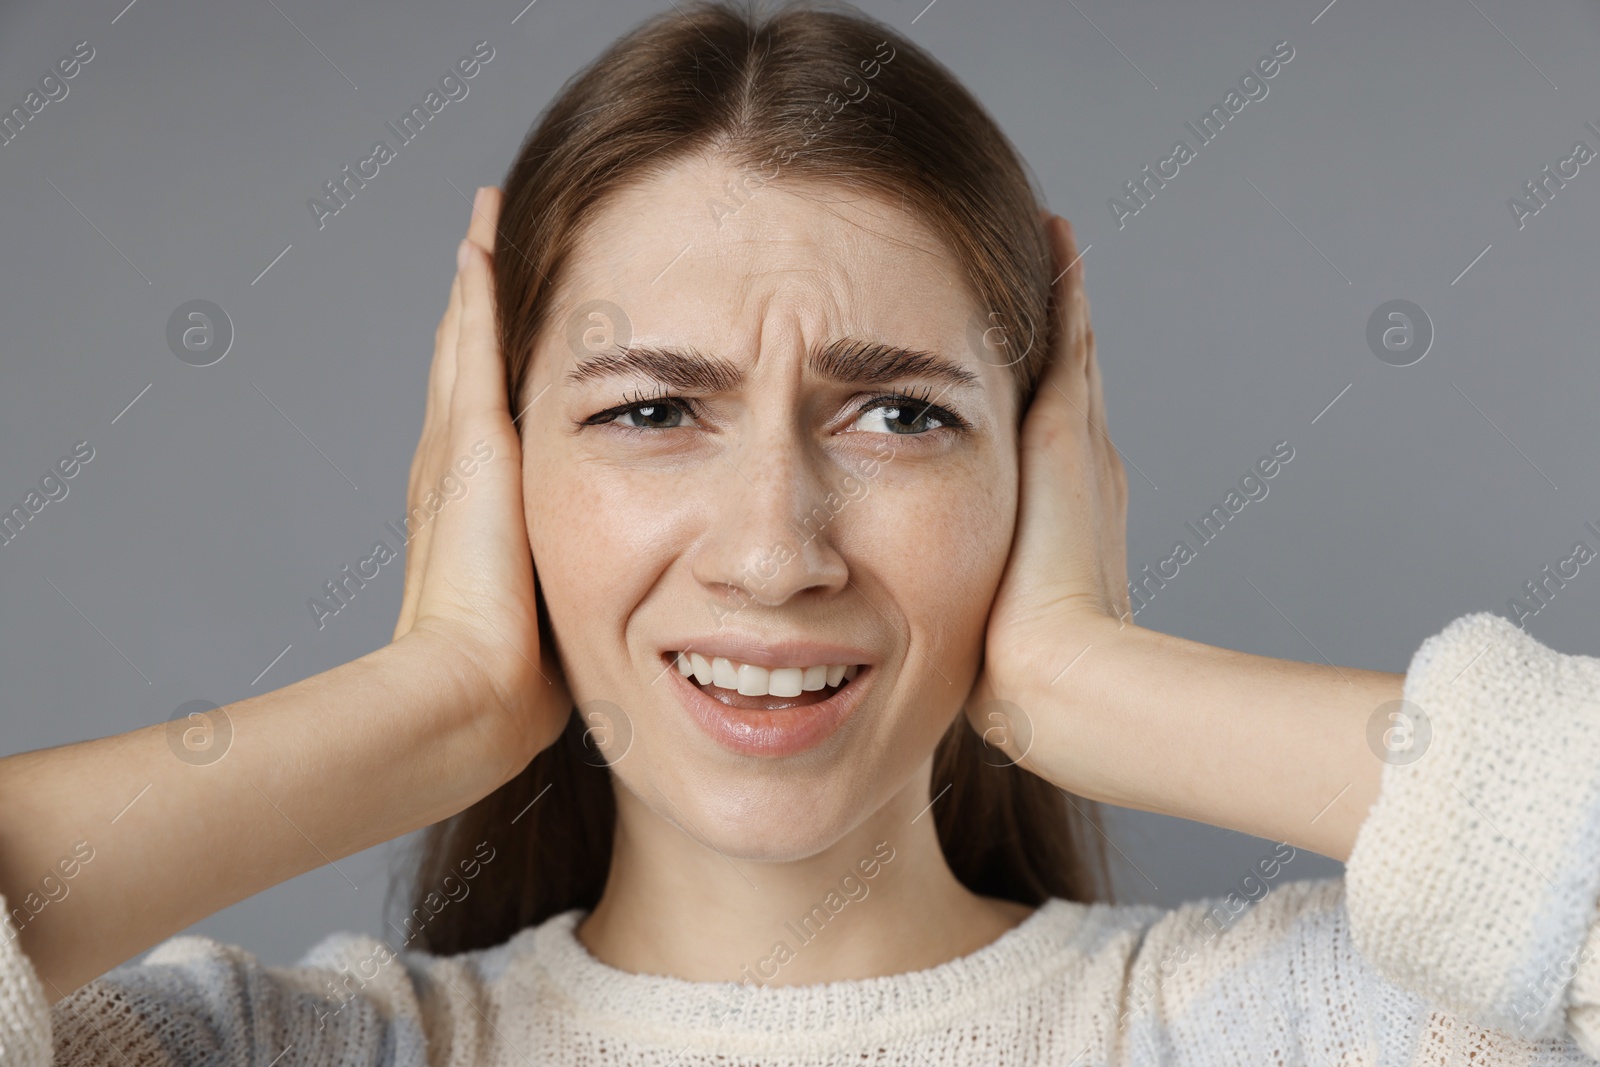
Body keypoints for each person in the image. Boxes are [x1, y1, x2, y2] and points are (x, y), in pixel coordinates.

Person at [3, 2, 1598, 1064]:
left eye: (900, 415)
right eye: (649, 412)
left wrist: (1095, 684)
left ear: (1039, 480)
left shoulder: (1296, 1032)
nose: (775, 550)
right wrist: (433, 700)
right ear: (491, 469)